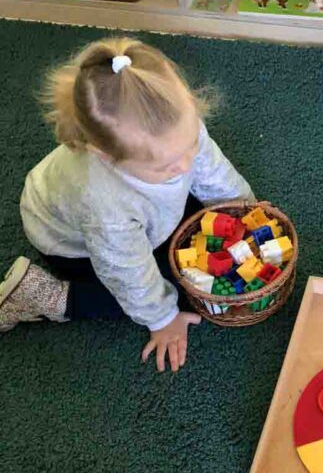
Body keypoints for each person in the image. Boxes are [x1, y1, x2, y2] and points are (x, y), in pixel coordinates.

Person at [0, 38, 255, 373]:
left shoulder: (175, 127)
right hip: (70, 243)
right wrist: (163, 319)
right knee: (178, 286)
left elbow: (212, 171)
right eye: (166, 166)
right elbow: (126, 274)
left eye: (191, 144)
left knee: (202, 231)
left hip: (134, 215)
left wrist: (243, 211)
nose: (185, 165)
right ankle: (46, 296)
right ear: (108, 157)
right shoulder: (106, 205)